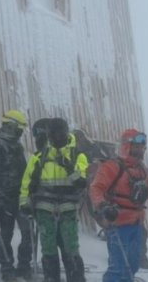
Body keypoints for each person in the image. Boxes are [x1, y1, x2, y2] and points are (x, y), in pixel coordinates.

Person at [89, 129, 148, 282]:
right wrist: (103, 206)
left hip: (136, 224)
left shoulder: (142, 169)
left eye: (141, 147)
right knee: (118, 267)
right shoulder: (111, 166)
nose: (139, 150)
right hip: (117, 223)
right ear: (126, 146)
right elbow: (95, 188)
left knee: (132, 264)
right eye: (136, 146)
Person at [19, 118, 88, 282]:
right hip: (44, 207)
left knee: (71, 246)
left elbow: (81, 182)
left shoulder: (77, 155)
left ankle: (76, 278)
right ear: (49, 135)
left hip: (68, 207)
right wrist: (24, 203)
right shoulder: (39, 156)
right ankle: (51, 278)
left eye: (60, 134)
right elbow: (26, 182)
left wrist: (69, 167)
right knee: (48, 246)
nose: (57, 137)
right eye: (53, 134)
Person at [0, 109, 31, 281]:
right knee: (6, 234)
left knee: (27, 232)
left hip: (21, 197)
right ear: (11, 126)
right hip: (5, 199)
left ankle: (24, 265)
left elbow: (24, 172)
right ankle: (7, 267)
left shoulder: (17, 146)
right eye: (19, 128)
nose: (21, 132)